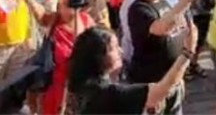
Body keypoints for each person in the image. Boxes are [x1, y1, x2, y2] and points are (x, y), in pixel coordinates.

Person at [127, 0, 203, 114]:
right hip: (152, 85)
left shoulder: (166, 2)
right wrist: (186, 0)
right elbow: (160, 28)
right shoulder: (138, 8)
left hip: (173, 80)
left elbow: (180, 24)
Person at [67, 25, 195, 114]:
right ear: (99, 57)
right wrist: (187, 53)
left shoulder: (81, 87)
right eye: (114, 48)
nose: (121, 51)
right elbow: (160, 92)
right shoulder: (107, 94)